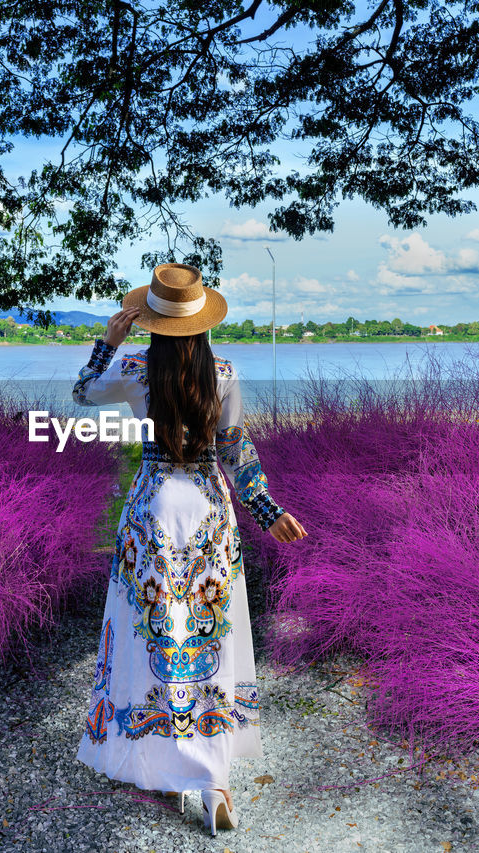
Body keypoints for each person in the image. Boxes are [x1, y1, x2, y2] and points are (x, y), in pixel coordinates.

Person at [73, 262, 307, 837]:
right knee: (209, 633)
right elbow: (235, 451)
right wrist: (267, 511)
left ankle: (153, 756)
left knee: (151, 631)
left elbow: (81, 393)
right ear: (201, 322)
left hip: (155, 505)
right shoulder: (224, 371)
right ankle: (215, 780)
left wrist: (109, 342)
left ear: (152, 320)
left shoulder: (135, 368)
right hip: (207, 506)